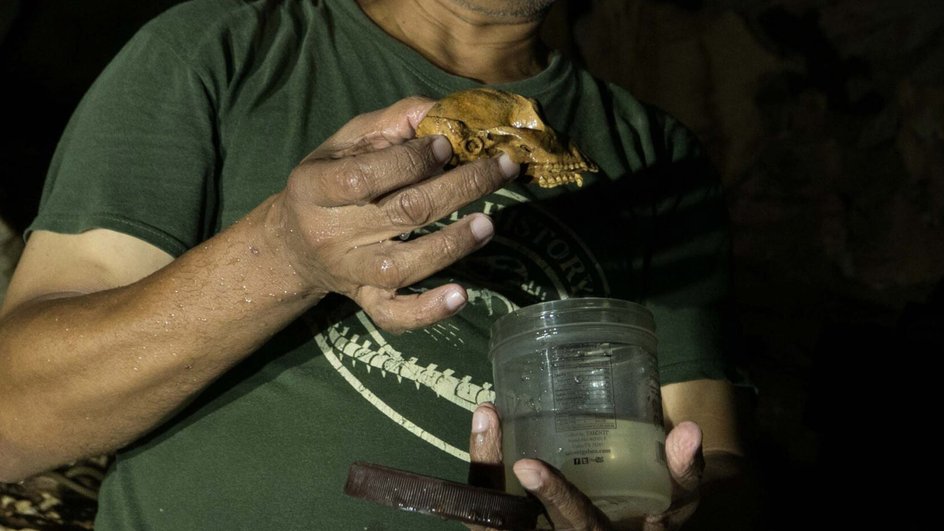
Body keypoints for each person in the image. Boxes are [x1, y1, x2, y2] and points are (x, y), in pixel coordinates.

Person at [0, 0, 751, 529]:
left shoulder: (654, 153)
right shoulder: (225, 50)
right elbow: (14, 418)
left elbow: (706, 457)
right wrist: (284, 256)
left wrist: (658, 510)